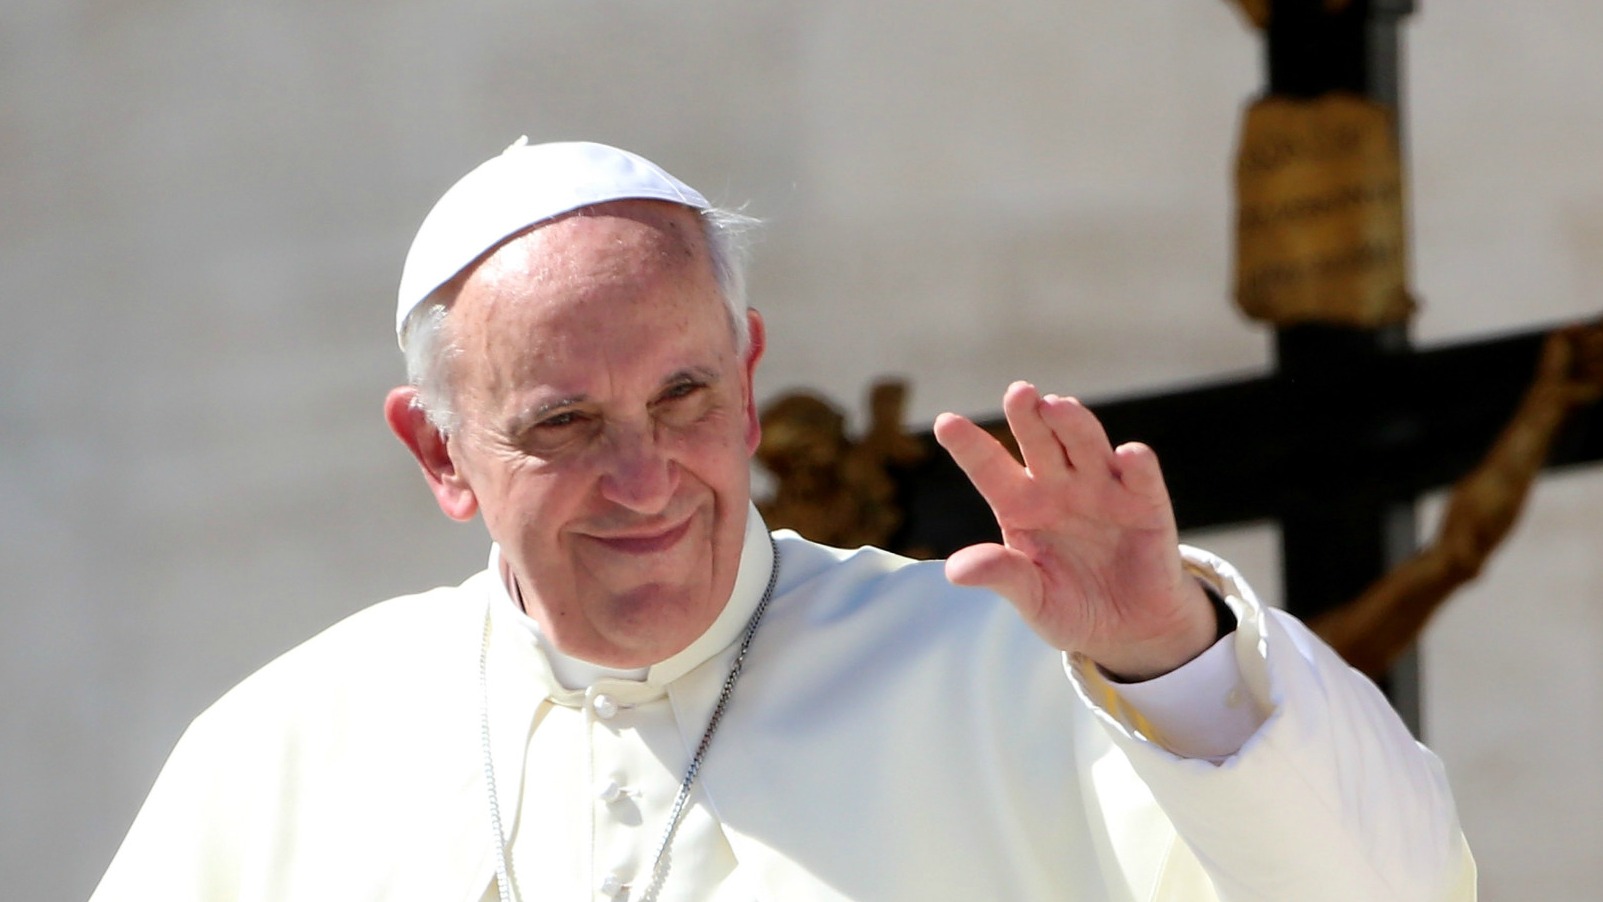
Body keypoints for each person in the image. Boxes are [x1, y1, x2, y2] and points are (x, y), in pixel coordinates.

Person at [91, 139, 1476, 901]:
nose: (645, 480)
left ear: (751, 384)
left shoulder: (1008, 671)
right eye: (565, 425)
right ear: (440, 452)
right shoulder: (282, 751)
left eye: (684, 397)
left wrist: (1174, 654)